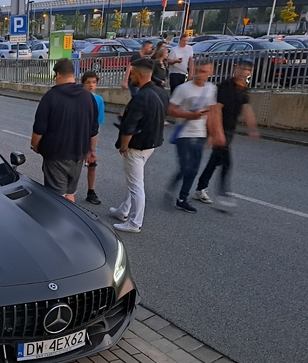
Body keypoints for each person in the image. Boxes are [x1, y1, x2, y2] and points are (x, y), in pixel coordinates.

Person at [110, 58, 169, 233]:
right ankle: (123, 211)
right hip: (151, 143)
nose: (130, 77)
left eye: (133, 74)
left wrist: (123, 145)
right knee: (134, 181)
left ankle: (135, 223)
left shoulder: (141, 97)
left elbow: (130, 127)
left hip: (136, 146)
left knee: (136, 185)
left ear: (141, 75)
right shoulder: (160, 92)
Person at [31, 59, 99, 202]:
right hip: (79, 155)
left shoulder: (51, 97)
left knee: (56, 199)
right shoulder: (88, 97)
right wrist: (91, 151)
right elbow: (94, 130)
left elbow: (39, 129)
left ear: (59, 74)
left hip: (56, 155)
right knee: (69, 193)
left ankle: (58, 223)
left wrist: (35, 146)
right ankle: (71, 221)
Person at [193, 59, 259, 208]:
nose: (244, 72)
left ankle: (200, 188)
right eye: (242, 68)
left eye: (248, 70)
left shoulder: (243, 88)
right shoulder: (225, 87)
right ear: (236, 68)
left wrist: (252, 127)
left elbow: (247, 109)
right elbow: (216, 109)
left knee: (215, 161)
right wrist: (216, 133)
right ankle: (223, 195)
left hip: (230, 130)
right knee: (227, 163)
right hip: (221, 130)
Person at [168, 58, 224, 213]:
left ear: (211, 72)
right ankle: (173, 184)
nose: (200, 75)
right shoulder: (183, 89)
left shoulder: (211, 89)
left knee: (193, 169)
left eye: (204, 71)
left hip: (200, 133)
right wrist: (190, 115)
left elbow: (213, 112)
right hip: (184, 133)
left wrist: (214, 134)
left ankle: (182, 199)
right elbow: (171, 110)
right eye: (198, 71)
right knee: (186, 167)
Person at [81, 71, 106, 205]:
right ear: (83, 84)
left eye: (94, 82)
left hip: (90, 137)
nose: (91, 85)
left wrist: (93, 147)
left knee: (92, 165)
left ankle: (91, 191)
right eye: (88, 82)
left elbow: (97, 125)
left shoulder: (99, 100)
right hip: (78, 139)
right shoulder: (78, 98)